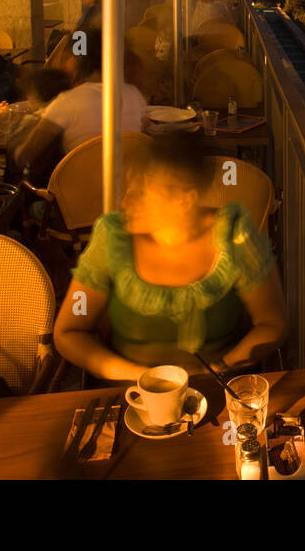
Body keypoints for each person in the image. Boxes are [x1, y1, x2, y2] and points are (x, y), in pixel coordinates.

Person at [53, 133, 288, 379]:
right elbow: (70, 331)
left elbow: (271, 323)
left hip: (220, 391)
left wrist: (223, 367)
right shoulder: (112, 239)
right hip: (131, 394)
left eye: (142, 193)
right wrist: (140, 377)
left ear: (185, 200)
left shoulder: (234, 236)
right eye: (129, 187)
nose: (125, 201)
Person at [12, 29, 147, 172]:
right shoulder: (134, 94)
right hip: (128, 187)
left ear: (78, 62)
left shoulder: (67, 101)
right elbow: (142, 131)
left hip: (76, 190)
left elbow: (24, 156)